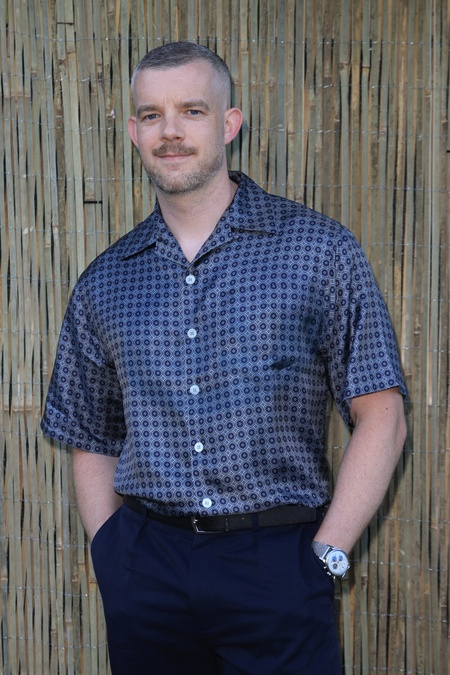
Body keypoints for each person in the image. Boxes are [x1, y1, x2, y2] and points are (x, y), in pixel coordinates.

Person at [41, 41, 407, 674]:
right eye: (151, 115)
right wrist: (112, 555)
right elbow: (90, 434)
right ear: (133, 132)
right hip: (147, 572)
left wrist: (328, 554)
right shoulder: (106, 281)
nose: (170, 131)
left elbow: (383, 414)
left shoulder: (317, 251)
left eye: (192, 110)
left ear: (230, 123)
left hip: (279, 567)